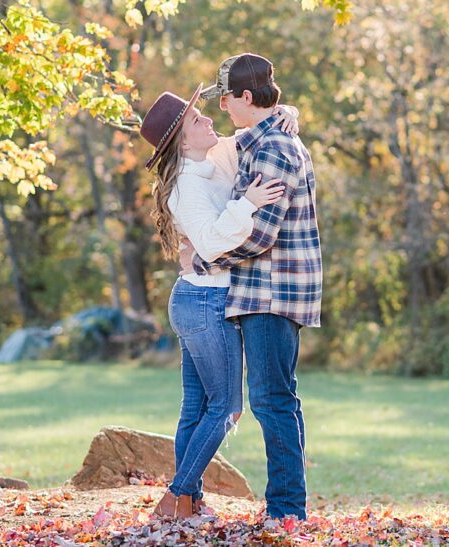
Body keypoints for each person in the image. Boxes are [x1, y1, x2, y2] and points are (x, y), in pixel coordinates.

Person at [139, 83, 299, 519]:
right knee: (226, 408)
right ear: (181, 139)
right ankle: (176, 496)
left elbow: (260, 125)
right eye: (196, 119)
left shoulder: (212, 157)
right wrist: (247, 203)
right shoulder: (187, 186)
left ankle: (188, 502)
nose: (209, 119)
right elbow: (208, 244)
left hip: (199, 298)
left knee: (196, 406)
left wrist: (288, 111)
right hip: (205, 303)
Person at [182, 53, 322, 520]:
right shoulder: (258, 141)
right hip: (259, 290)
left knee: (271, 399)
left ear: (245, 96)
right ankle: (285, 506)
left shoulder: (275, 149)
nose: (221, 107)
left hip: (273, 290)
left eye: (226, 97)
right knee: (274, 396)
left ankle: (286, 510)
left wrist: (205, 259)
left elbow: (261, 233)